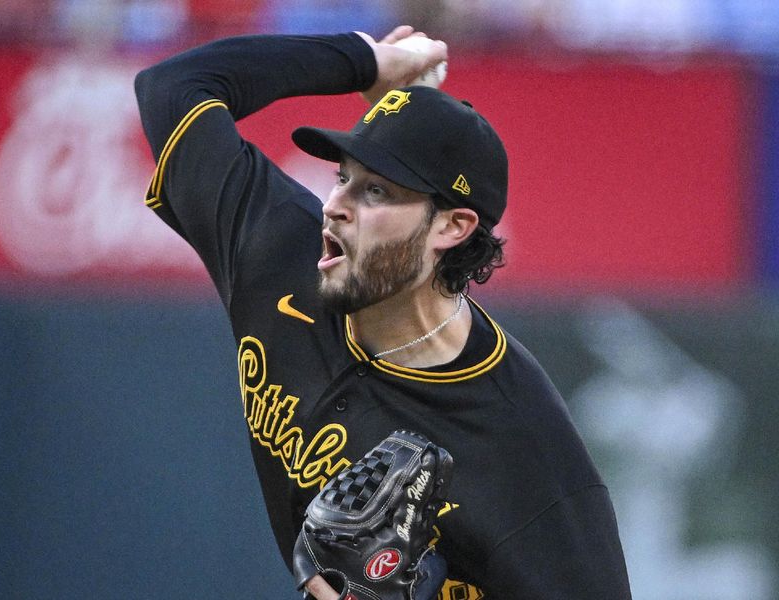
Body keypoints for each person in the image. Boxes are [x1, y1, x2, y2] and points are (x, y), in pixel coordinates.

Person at [134, 25, 631, 599]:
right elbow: (173, 86)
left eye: (375, 192)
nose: (334, 206)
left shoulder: (526, 453)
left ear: (452, 225)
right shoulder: (279, 253)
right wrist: (362, 61)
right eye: (343, 176)